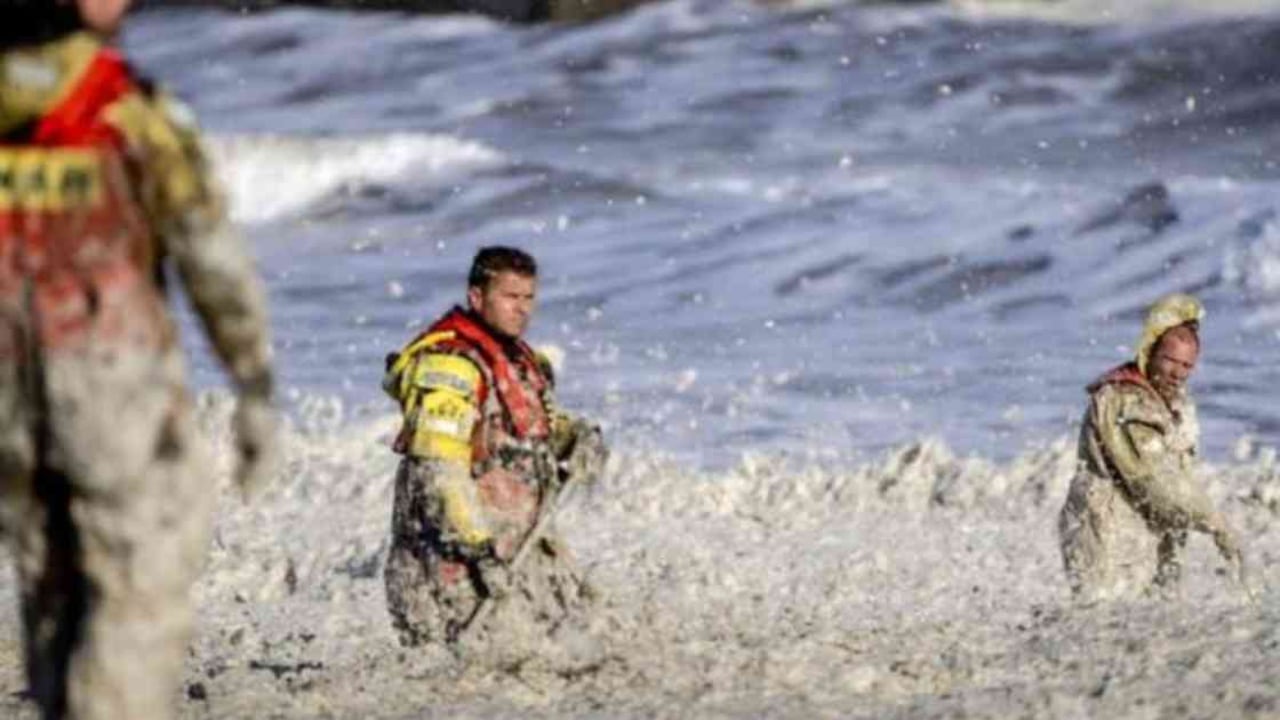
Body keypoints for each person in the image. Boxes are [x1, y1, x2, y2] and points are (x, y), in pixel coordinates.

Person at [0, 2, 278, 719]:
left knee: (50, 584)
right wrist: (252, 379)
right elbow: (210, 256)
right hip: (107, 384)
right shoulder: (124, 108)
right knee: (137, 586)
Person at [382, 246, 607, 648]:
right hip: (454, 569)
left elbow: (531, 432)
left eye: (528, 298)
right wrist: (479, 551)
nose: (522, 310)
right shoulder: (450, 367)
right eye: (509, 297)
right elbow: (439, 475)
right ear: (477, 297)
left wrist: (576, 439)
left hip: (518, 554)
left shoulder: (521, 362)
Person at [1058, 293, 1244, 601]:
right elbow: (1154, 479)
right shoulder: (1126, 401)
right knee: (1104, 622)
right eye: (1170, 360)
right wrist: (1214, 523)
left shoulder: (1168, 402)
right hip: (1105, 530)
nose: (1177, 372)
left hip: (1140, 532)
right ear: (1149, 351)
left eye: (1187, 364)